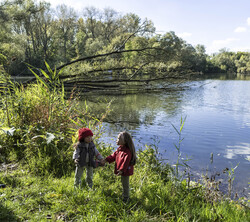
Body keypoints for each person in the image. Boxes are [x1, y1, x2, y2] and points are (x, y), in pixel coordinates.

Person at [102, 131, 136, 202]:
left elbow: (126, 162)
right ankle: (124, 195)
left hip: (125, 171)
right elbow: (113, 156)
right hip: (122, 170)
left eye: (118, 139)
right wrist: (106, 160)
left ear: (125, 141)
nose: (116, 140)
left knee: (125, 184)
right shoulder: (120, 149)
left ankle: (126, 198)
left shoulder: (127, 152)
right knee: (123, 183)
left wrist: (121, 170)